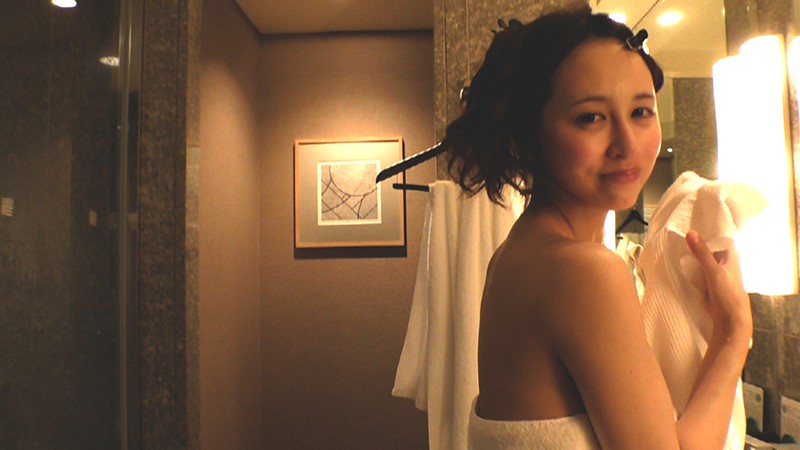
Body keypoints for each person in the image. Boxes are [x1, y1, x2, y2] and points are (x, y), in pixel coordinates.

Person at [443, 5, 752, 449]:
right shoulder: (583, 271)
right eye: (591, 117)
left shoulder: (515, 255)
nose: (627, 143)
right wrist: (734, 333)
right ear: (530, 133)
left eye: (641, 111)